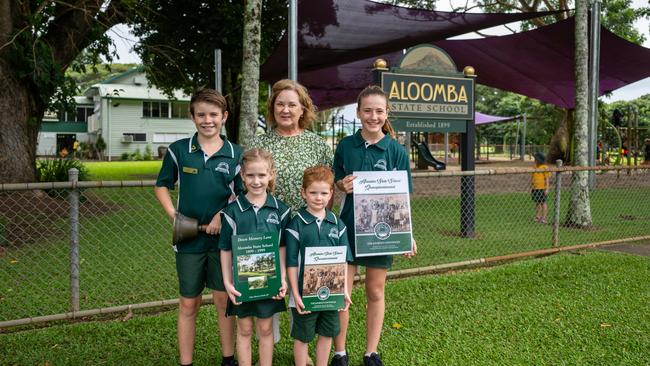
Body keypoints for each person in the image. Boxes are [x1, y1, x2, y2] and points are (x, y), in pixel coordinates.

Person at [154, 89, 242, 366]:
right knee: (188, 303)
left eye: (214, 114)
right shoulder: (179, 150)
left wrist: (221, 216)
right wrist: (174, 215)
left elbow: (242, 196)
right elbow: (162, 186)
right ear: (192, 117)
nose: (208, 120)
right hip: (188, 238)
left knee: (222, 300)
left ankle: (228, 359)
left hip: (222, 240)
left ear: (224, 117)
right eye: (201, 114)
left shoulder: (235, 154)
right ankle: (186, 362)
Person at [332, 85, 417, 366]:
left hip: (383, 232)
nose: (373, 116)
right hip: (348, 228)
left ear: (386, 113)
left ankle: (371, 352)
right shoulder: (345, 146)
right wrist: (340, 184)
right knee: (342, 293)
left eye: (379, 110)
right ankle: (340, 352)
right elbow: (335, 182)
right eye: (367, 110)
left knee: (375, 291)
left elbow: (402, 198)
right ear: (358, 112)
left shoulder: (395, 151)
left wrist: (408, 234)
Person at [219, 148, 289, 366]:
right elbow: (225, 248)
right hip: (242, 281)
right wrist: (227, 282)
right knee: (245, 328)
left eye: (261, 175)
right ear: (242, 176)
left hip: (268, 281)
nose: (256, 181)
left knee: (266, 328)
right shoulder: (232, 211)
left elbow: (282, 247)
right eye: (250, 175)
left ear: (271, 175)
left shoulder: (281, 210)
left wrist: (283, 278)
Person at [285, 166, 353, 366]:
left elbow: (344, 261)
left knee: (327, 334)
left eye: (324, 193)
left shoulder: (338, 225)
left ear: (331, 193)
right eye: (313, 192)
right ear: (303, 193)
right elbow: (290, 262)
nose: (318, 198)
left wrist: (345, 291)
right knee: (303, 337)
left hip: (331, 293)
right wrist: (295, 295)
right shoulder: (295, 224)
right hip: (304, 294)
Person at [250, 79, 333, 212]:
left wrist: (323, 222)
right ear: (273, 108)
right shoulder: (258, 145)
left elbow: (329, 187)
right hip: (268, 225)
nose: (285, 110)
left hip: (306, 226)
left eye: (292, 105)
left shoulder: (318, 145)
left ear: (302, 110)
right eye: (280, 104)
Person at [531, 152, 551, 224]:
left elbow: (547, 179)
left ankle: (544, 218)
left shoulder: (544, 167)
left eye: (535, 159)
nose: (534, 160)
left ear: (539, 160)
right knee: (537, 202)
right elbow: (532, 178)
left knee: (543, 203)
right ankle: (537, 216)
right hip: (535, 188)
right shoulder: (535, 167)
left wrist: (547, 188)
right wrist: (531, 187)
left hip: (542, 188)